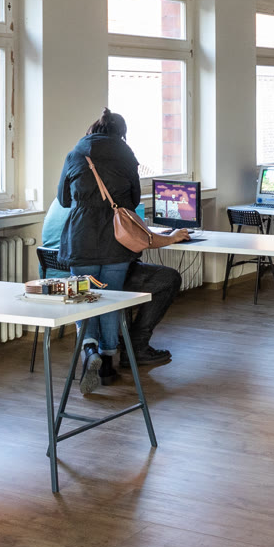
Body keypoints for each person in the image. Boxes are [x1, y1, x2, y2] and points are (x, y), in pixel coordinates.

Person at [55, 109, 189, 390]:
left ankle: (88, 350)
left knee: (84, 298)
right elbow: (133, 200)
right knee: (111, 299)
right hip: (116, 240)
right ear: (121, 133)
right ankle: (107, 362)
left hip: (80, 238)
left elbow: (64, 200)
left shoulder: (75, 154)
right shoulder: (126, 155)